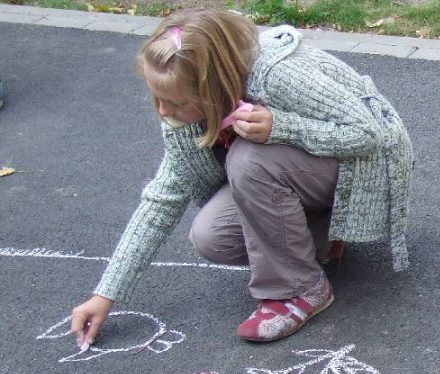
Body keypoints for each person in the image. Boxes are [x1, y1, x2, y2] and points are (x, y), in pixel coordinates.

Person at [70, 9, 413, 344]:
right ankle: (326, 234)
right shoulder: (182, 121)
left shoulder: (277, 74)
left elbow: (369, 134)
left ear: (212, 90)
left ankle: (299, 290)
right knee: (212, 236)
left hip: (366, 169)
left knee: (248, 161)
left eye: (174, 102)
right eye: (156, 96)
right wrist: (106, 294)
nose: (163, 111)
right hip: (303, 174)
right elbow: (161, 200)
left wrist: (282, 126)